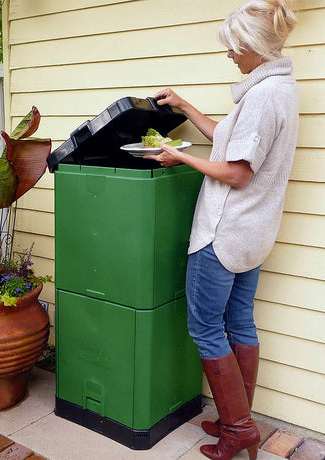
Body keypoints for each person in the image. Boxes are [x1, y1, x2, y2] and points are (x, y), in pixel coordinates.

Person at [145, 1, 299, 459]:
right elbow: (227, 138)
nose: (229, 55)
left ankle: (236, 431)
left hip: (223, 234)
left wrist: (179, 157)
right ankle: (242, 420)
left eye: (233, 48)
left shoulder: (263, 97)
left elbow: (236, 173)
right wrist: (184, 105)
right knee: (238, 322)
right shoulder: (281, 88)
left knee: (206, 328)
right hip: (254, 233)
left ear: (250, 46)